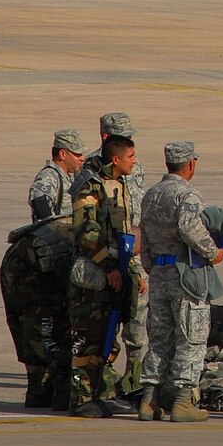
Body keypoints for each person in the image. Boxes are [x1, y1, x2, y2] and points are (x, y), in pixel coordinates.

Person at [137, 141, 223, 423]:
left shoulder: (151, 194)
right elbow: (190, 228)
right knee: (192, 338)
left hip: (160, 274)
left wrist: (151, 265)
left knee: (160, 339)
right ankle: (182, 401)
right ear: (190, 164)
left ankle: (148, 400)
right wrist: (213, 253)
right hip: (185, 275)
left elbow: (144, 235)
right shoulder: (186, 194)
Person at [0, 128, 86, 408]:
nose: (81, 158)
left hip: (53, 252)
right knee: (48, 324)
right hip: (45, 255)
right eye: (77, 154)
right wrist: (53, 227)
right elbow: (39, 200)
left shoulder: (69, 178)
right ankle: (51, 387)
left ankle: (40, 388)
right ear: (62, 154)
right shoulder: (50, 176)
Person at [67, 132, 143, 418]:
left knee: (109, 339)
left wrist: (133, 271)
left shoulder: (120, 184)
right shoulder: (90, 187)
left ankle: (103, 392)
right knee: (88, 337)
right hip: (95, 275)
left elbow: (124, 234)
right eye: (131, 157)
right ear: (116, 159)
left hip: (117, 272)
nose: (134, 162)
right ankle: (81, 397)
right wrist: (109, 269)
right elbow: (86, 234)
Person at [78, 112, 150, 399]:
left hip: (128, 254)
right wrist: (109, 265)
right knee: (100, 327)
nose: (133, 154)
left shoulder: (130, 168)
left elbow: (134, 210)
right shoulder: (92, 175)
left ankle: (133, 376)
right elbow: (87, 228)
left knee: (136, 317)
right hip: (104, 259)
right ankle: (91, 389)